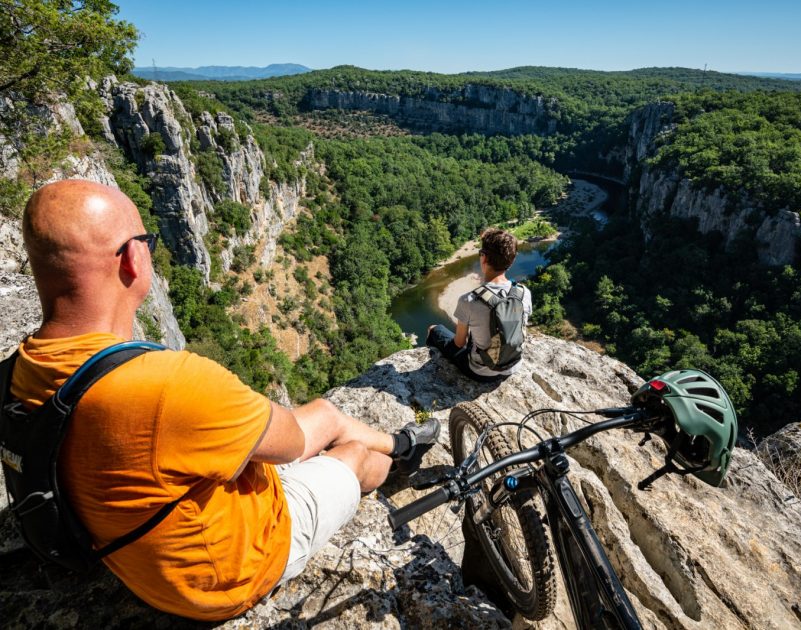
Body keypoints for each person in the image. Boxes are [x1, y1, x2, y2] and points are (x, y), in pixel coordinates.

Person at [8, 179, 440, 621]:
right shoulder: (169, 385)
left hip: (137, 561)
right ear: (133, 260)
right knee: (351, 454)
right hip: (231, 574)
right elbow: (289, 444)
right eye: (146, 242)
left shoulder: (19, 372)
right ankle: (394, 467)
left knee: (326, 414)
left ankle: (399, 444)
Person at [426, 228, 532, 382]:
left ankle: (431, 370)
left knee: (434, 329)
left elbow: (459, 343)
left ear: (483, 258)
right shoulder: (523, 293)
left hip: (481, 373)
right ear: (512, 260)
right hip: (513, 367)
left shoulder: (469, 300)